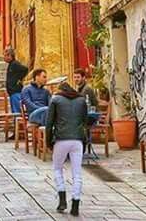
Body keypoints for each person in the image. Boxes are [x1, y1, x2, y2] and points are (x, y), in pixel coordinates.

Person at [45, 81, 88, 217]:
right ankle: (75, 204)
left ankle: (62, 198)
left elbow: (49, 123)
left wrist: (48, 141)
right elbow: (85, 121)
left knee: (57, 168)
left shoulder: (55, 99)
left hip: (61, 139)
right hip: (77, 140)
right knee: (77, 174)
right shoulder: (82, 100)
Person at [4, 47, 28, 114]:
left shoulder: (15, 64)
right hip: (12, 92)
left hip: (16, 91)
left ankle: (18, 124)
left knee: (17, 112)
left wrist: (20, 79)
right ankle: (16, 124)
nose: (4, 57)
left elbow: (25, 69)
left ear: (10, 56)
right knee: (15, 112)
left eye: (5, 55)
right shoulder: (11, 64)